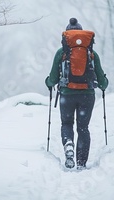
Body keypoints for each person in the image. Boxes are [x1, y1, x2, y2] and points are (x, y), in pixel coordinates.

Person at [45, 18, 108, 169]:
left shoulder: (62, 53)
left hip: (67, 95)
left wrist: (48, 83)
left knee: (67, 123)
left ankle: (68, 144)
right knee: (83, 128)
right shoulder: (91, 54)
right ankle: (81, 162)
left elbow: (53, 78)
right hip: (87, 95)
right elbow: (102, 81)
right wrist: (103, 84)